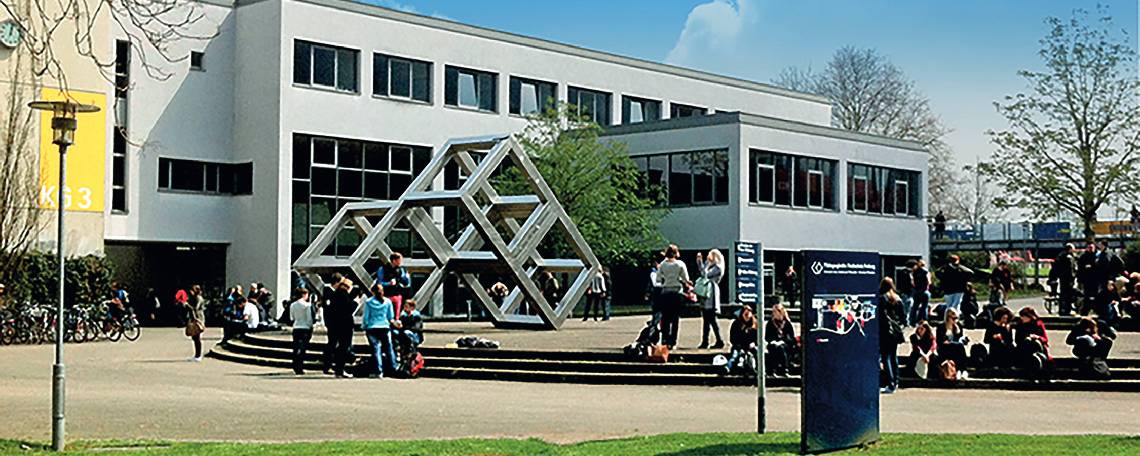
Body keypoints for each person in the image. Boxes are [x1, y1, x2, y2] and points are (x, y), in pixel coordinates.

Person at [322, 273, 357, 378]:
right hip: (344, 325)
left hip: (335, 324)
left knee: (337, 346)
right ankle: (339, 369)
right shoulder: (343, 295)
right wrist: (355, 302)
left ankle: (336, 368)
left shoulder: (335, 294)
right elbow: (348, 309)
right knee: (343, 347)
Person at [655, 244, 690, 349]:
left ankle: (665, 340)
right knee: (675, 319)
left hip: (665, 292)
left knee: (665, 318)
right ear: (676, 253)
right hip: (677, 292)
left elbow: (658, 279)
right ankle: (673, 342)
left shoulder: (662, 264)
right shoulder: (680, 264)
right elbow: (686, 279)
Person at [361, 284, 397, 379]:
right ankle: (394, 368)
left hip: (372, 327)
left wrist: (364, 326)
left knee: (376, 349)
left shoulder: (369, 302)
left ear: (373, 292)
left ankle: (379, 371)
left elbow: (366, 316)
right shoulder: (388, 302)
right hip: (384, 326)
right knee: (389, 348)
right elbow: (390, 316)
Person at [877, 277, 905, 393]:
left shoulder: (882, 298)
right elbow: (903, 317)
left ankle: (890, 383)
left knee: (886, 357)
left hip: (885, 331)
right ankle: (896, 382)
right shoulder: (897, 298)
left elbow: (881, 316)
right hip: (895, 332)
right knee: (894, 357)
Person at [696, 250, 725, 349]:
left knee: (711, 318)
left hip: (711, 294)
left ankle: (718, 340)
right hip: (706, 293)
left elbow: (705, 274)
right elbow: (702, 272)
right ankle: (706, 341)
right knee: (707, 320)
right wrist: (700, 263)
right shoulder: (712, 267)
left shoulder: (718, 268)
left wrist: (705, 264)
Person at [1013, 306, 1051, 380]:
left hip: (1037, 348)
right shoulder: (1020, 325)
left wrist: (1037, 337)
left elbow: (1045, 339)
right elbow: (1017, 340)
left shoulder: (1038, 324)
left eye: (1024, 317)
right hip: (1024, 349)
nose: (1022, 318)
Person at [936, 308, 969, 379]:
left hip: (955, 348)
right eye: (953, 318)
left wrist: (963, 339)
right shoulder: (941, 327)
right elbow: (940, 342)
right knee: (959, 346)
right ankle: (962, 370)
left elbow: (959, 339)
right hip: (944, 349)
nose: (955, 320)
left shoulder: (958, 326)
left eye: (956, 318)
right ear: (948, 318)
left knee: (959, 347)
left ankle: (961, 370)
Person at [726, 304, 758, 376]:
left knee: (756, 353)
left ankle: (756, 369)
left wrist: (754, 343)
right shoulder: (736, 324)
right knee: (735, 355)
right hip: (739, 346)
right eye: (745, 314)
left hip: (751, 346)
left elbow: (758, 338)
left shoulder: (755, 324)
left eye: (748, 314)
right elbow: (732, 338)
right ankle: (728, 367)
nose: (747, 316)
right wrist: (738, 345)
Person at [764, 303, 796, 377]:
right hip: (774, 343)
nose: (774, 314)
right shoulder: (770, 323)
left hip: (785, 343)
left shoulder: (787, 323)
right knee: (774, 348)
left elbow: (791, 337)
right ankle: (773, 370)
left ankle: (785, 369)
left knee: (781, 348)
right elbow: (767, 336)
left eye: (776, 312)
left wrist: (783, 341)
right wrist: (773, 341)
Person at [289, 288, 314, 375]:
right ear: (304, 295)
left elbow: (291, 317)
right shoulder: (307, 305)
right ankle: (300, 366)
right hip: (305, 328)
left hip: (296, 327)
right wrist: (311, 326)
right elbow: (309, 318)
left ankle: (295, 365)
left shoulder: (292, 305)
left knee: (296, 347)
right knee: (303, 348)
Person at [1051, 243, 1078, 315]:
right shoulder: (1069, 258)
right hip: (1069, 279)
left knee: (1062, 295)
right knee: (1069, 295)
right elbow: (1071, 270)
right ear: (1070, 249)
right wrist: (1074, 276)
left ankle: (1062, 310)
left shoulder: (1060, 256)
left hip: (1062, 278)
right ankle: (1067, 310)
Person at [183, 285, 207, 362]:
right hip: (194, 318)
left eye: (192, 290)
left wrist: (187, 305)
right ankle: (196, 355)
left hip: (198, 318)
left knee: (197, 337)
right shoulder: (192, 298)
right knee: (194, 337)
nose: (190, 292)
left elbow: (195, 308)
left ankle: (198, 355)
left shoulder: (198, 298)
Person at [1077, 243, 1099, 314]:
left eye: (1092, 248)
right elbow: (1080, 267)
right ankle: (1085, 310)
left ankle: (1096, 309)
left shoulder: (1097, 256)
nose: (1091, 249)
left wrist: (1092, 267)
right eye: (1089, 247)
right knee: (1086, 295)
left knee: (1096, 295)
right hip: (1086, 279)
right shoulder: (1083, 256)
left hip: (1095, 279)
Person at [910, 260, 931, 326]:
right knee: (924, 307)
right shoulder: (926, 272)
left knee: (915, 306)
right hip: (924, 291)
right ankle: (922, 320)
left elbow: (912, 283)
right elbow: (929, 281)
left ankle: (912, 321)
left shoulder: (914, 272)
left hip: (917, 291)